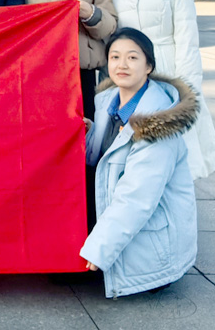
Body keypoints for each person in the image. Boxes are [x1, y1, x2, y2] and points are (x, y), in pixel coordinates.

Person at [80, 28, 198, 299]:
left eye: (132, 58)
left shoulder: (157, 123)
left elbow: (137, 197)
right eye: (115, 57)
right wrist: (88, 134)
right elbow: (100, 161)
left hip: (152, 252)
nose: (122, 65)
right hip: (123, 223)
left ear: (149, 67)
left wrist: (98, 249)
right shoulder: (107, 102)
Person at [108, 0, 215, 179]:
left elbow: (186, 33)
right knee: (134, 147)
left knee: (173, 147)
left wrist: (187, 83)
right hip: (128, 73)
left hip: (167, 66)